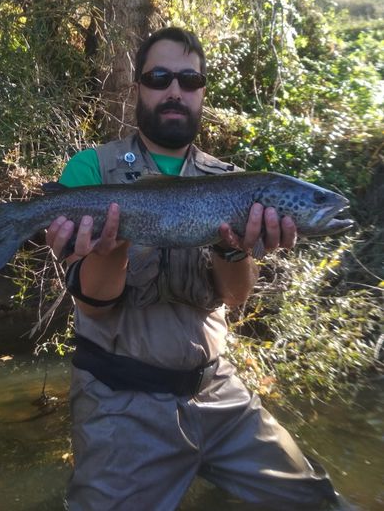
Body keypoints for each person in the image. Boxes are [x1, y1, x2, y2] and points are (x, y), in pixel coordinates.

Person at [46, 27, 350, 510]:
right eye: (160, 77)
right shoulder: (92, 172)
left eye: (189, 80)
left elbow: (235, 298)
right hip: (120, 401)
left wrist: (233, 251)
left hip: (219, 393)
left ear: (203, 90)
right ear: (139, 87)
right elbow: (95, 308)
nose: (174, 90)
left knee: (317, 500)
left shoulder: (231, 182)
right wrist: (112, 246)